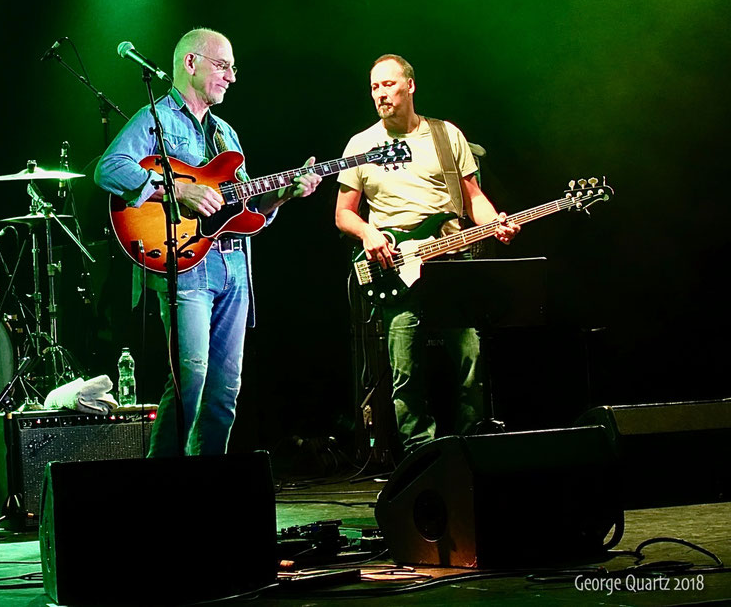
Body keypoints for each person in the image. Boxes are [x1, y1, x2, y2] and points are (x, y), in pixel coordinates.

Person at [95, 28, 321, 457]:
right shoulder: (155, 119)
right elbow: (109, 169)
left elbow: (244, 208)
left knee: (225, 389)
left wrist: (284, 194)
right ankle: (164, 489)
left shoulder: (226, 135)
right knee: (190, 378)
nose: (231, 77)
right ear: (191, 63)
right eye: (223, 66)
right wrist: (176, 189)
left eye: (233, 68)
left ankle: (207, 492)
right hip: (186, 263)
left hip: (234, 268)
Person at [334, 54, 519, 456]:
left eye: (388, 84)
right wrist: (369, 232)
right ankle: (425, 459)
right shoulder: (361, 145)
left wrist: (496, 221)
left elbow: (474, 199)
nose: (381, 94)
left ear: (410, 86)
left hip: (452, 264)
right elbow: (343, 214)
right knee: (405, 371)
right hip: (397, 268)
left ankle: (472, 451)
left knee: (473, 362)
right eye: (374, 87)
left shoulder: (445, 135)